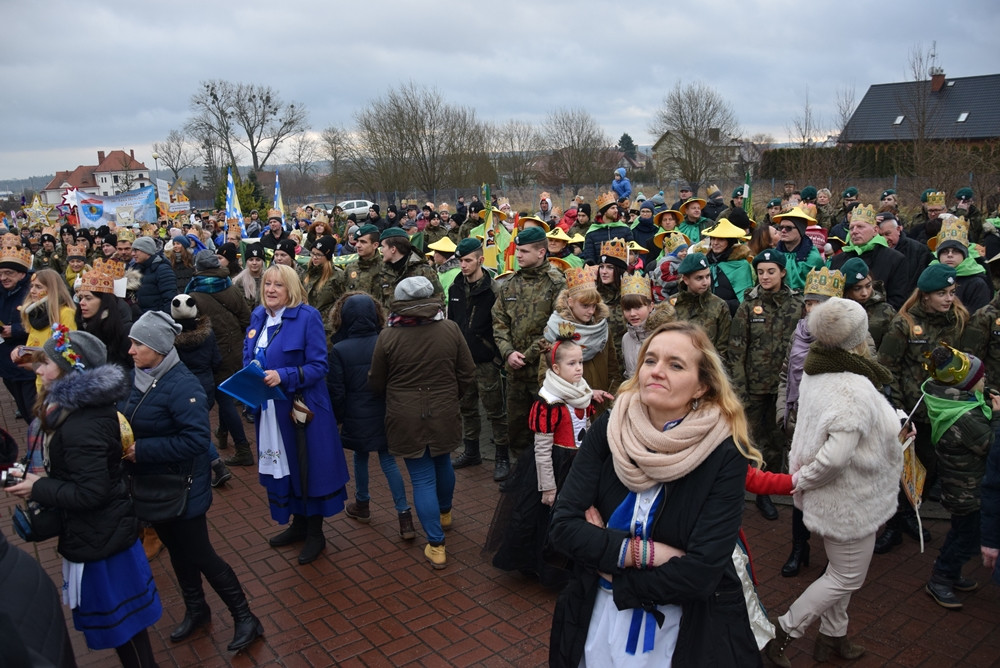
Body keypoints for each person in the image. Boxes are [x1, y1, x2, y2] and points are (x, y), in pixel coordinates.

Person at [548, 321, 762, 666]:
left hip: (679, 627)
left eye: (675, 365)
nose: (657, 371)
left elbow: (702, 572)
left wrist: (614, 572)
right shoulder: (610, 425)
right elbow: (563, 527)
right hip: (597, 615)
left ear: (701, 387)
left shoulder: (724, 452)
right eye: (650, 360)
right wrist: (644, 553)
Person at [6, 329, 162, 667]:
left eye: (46, 362)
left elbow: (91, 493)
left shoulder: (80, 423)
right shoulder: (72, 409)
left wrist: (37, 487)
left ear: (68, 370)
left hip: (102, 540)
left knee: (126, 630)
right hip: (102, 533)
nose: (39, 369)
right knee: (129, 631)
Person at [766, 298, 904, 666]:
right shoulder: (851, 387)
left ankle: (832, 639)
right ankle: (783, 631)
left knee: (840, 570)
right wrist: (803, 481)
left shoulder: (818, 368)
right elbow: (835, 456)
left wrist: (891, 429)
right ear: (858, 337)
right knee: (845, 577)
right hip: (848, 498)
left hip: (843, 494)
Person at [123, 310, 263, 651]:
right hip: (156, 487)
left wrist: (144, 450)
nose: (130, 350)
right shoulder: (139, 376)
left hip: (183, 487)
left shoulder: (183, 386)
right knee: (178, 553)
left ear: (158, 348)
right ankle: (197, 609)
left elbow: (197, 441)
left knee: (201, 555)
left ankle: (246, 617)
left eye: (138, 344)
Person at [245, 264, 350, 565]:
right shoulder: (258, 317)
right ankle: (298, 525)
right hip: (269, 410)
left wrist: (284, 375)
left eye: (278, 285)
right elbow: (248, 353)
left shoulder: (307, 317)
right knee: (285, 467)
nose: (271, 290)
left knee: (308, 467)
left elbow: (320, 366)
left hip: (302, 411)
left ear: (291, 288)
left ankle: (315, 533)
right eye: (267, 284)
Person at [368, 276, 475, 569]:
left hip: (405, 415)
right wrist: (453, 396)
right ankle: (445, 513)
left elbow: (376, 380)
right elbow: (467, 372)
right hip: (443, 410)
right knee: (443, 463)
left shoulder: (388, 336)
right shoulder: (450, 329)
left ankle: (437, 545)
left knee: (422, 478)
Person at [488, 333, 610, 588]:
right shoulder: (549, 402)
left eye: (580, 362)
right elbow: (542, 450)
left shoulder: (581, 392)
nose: (579, 368)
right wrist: (548, 487)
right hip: (555, 466)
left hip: (578, 464)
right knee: (545, 518)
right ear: (556, 368)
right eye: (572, 364)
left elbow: (585, 426)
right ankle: (545, 567)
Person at [876, 263, 969, 552]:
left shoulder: (957, 321)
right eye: (941, 293)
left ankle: (908, 512)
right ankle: (894, 523)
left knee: (933, 470)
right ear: (925, 295)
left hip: (945, 411)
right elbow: (885, 371)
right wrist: (898, 413)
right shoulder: (904, 323)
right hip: (912, 414)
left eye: (952, 292)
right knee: (901, 470)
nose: (948, 299)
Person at [327, 292, 416, 541]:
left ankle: (362, 504)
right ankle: (404, 515)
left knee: (360, 456)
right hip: (385, 410)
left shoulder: (340, 349)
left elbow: (336, 390)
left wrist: (340, 417)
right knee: (388, 461)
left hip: (356, 414)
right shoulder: (385, 341)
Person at [775, 267, 845, 578]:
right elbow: (785, 373)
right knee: (799, 485)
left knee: (833, 486)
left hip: (830, 423)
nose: (814, 309)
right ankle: (798, 547)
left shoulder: (852, 337)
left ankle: (834, 555)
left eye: (822, 303)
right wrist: (782, 409)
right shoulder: (799, 332)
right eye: (810, 303)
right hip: (799, 419)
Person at [919, 345, 999, 609]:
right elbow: (991, 445)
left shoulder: (949, 399)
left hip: (959, 488)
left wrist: (985, 398)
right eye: (981, 379)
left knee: (959, 532)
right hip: (969, 491)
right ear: (967, 385)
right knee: (968, 538)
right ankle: (940, 578)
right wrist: (997, 417)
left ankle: (949, 573)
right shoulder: (965, 418)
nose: (985, 381)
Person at [728, 249, 805, 520]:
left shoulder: (798, 304)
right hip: (754, 386)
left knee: (776, 439)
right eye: (760, 272)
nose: (765, 276)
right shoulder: (749, 305)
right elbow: (736, 350)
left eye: (771, 271)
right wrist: (739, 389)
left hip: (785, 387)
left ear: (783, 272)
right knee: (750, 438)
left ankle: (769, 489)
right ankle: (752, 489)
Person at [493, 226, 567, 463]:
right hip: (514, 371)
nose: (519, 255)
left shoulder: (557, 284)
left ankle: (546, 478)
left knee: (546, 427)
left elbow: (558, 328)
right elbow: (499, 322)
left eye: (524, 251)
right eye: (518, 251)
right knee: (517, 428)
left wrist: (526, 355)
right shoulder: (510, 284)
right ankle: (520, 475)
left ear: (541, 252)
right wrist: (508, 353)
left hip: (543, 371)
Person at [448, 239, 510, 480]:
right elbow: (452, 322)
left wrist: (497, 358)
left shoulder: (494, 290)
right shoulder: (455, 289)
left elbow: (502, 326)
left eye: (467, 260)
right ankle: (471, 450)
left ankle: (502, 456)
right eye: (460, 261)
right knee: (467, 407)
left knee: (495, 410)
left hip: (487, 362)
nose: (463, 265)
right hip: (462, 361)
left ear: (480, 260)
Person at [185, 250, 254, 465]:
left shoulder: (193, 295)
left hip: (214, 352)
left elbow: (192, 329)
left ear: (198, 268)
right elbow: (246, 318)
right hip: (235, 349)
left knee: (223, 400)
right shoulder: (230, 286)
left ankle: (243, 449)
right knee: (226, 393)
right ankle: (223, 434)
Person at [829, 204, 909, 310]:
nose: (855, 231)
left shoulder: (895, 259)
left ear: (875, 230)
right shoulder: (837, 260)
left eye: (860, 227)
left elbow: (898, 300)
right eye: (851, 228)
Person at [669, 252, 732, 357]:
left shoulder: (719, 306)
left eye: (708, 276)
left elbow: (723, 346)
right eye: (699, 278)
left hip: (707, 368)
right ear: (686, 280)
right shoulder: (671, 305)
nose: (705, 282)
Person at [75, 265, 134, 371]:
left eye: (88, 298)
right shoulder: (82, 326)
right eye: (81, 298)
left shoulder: (124, 330)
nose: (82, 303)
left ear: (104, 302)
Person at [929, 215, 992, 314]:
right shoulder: (929, 276)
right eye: (945, 251)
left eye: (955, 251)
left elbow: (979, 320)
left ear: (964, 255)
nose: (950, 255)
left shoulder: (976, 283)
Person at [374, 227, 442, 312]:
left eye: (383, 247)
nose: (381, 250)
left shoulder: (423, 271)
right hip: (389, 324)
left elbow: (439, 301)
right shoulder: (382, 271)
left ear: (393, 249)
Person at [702, 217, 755, 316]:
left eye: (721, 239)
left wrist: (720, 306)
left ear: (730, 241)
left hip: (731, 316)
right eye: (713, 238)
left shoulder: (741, 265)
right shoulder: (706, 262)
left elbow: (744, 300)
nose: (715, 243)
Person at [772, 207, 825, 291]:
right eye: (781, 227)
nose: (783, 231)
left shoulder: (814, 258)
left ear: (800, 230)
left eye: (788, 228)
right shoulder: (773, 256)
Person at [303, 235, 346, 328]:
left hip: (326, 326)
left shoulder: (337, 276)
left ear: (327, 256)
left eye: (318, 255)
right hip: (306, 322)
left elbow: (342, 303)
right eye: (313, 253)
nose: (314, 257)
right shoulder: (307, 274)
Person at [130, 235, 176, 314]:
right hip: (142, 319)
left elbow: (169, 298)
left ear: (147, 251)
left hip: (158, 319)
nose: (133, 254)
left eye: (136, 250)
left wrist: (165, 320)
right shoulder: (137, 269)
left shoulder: (163, 270)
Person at [343, 224, 384, 297]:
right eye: (357, 241)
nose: (358, 245)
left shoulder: (384, 269)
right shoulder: (350, 268)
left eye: (363, 242)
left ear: (375, 245)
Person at [233, 243, 265, 312]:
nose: (254, 263)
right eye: (251, 260)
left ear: (262, 262)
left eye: (258, 260)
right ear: (247, 262)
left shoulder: (269, 279)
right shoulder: (239, 281)